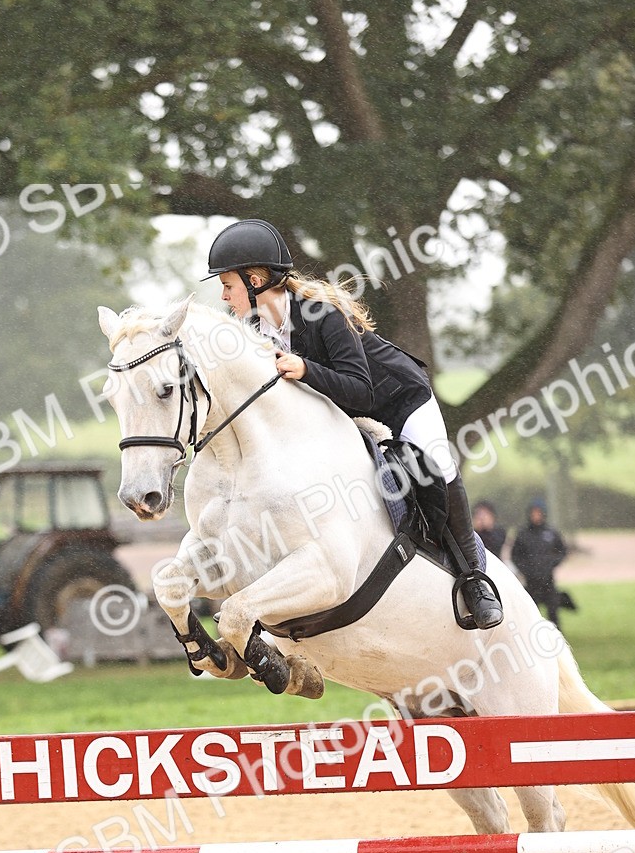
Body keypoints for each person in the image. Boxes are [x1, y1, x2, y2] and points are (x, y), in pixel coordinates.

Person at [204, 218, 503, 629]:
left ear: (255, 280)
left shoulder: (321, 315)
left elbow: (360, 390)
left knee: (436, 467)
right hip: (343, 416)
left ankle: (474, 578)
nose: (224, 295)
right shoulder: (253, 329)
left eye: (228, 285)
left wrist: (305, 368)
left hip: (399, 401)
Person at [510, 500, 569, 629]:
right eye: (533, 513)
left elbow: (562, 551)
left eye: (539, 513)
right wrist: (526, 569)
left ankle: (556, 639)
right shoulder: (523, 534)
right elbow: (515, 555)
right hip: (531, 581)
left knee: (553, 611)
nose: (536, 516)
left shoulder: (551, 533)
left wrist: (551, 563)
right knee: (530, 613)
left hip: (548, 580)